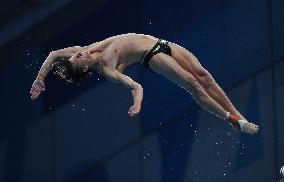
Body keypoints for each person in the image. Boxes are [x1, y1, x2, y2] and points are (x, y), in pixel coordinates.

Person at [30, 33, 259, 135]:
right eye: (77, 59)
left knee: (203, 76)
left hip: (161, 42)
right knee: (193, 84)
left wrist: (40, 79)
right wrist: (137, 103)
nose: (79, 54)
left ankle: (238, 115)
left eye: (76, 55)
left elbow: (52, 55)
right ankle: (234, 121)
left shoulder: (86, 48)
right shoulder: (108, 69)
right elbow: (135, 86)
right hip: (152, 57)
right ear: (84, 68)